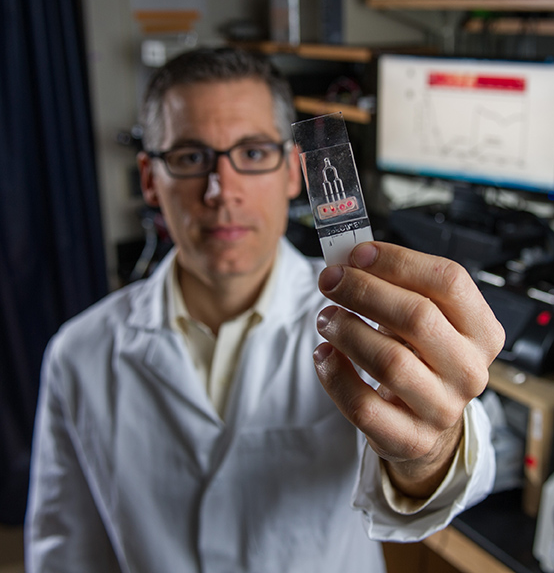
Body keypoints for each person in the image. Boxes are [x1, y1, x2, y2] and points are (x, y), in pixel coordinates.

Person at [25, 47, 505, 572]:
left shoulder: (370, 322)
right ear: (149, 179)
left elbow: (461, 467)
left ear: (294, 173)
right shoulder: (79, 354)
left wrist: (431, 450)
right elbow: (65, 549)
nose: (221, 191)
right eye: (189, 157)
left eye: (252, 154)